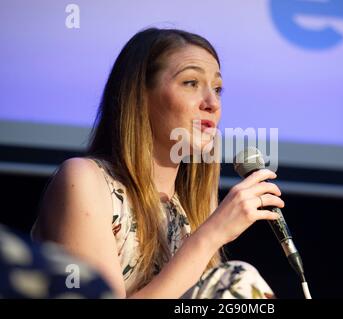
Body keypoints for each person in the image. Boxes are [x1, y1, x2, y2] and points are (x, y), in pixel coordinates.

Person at [31, 28, 284, 299]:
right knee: (239, 279)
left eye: (218, 88)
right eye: (191, 83)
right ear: (141, 95)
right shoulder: (84, 180)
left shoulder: (190, 207)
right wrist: (211, 236)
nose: (212, 103)